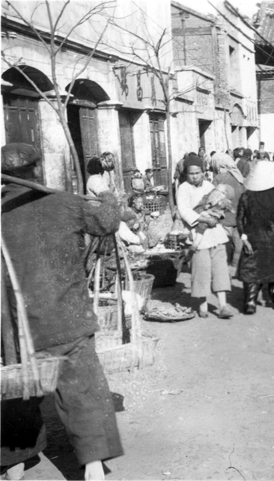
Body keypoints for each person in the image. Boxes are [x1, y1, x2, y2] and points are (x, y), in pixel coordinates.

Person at [1, 143, 123, 480]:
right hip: (66, 319)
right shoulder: (65, 203)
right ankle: (94, 468)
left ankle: (14, 464)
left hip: (16, 327)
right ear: (37, 169)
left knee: (18, 391)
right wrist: (104, 193)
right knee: (81, 390)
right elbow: (108, 221)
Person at [176, 153, 233, 319]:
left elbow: (219, 202)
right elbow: (184, 210)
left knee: (220, 269)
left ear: (203, 172)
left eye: (197, 173)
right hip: (198, 233)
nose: (194, 176)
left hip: (215, 233)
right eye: (191, 173)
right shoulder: (183, 188)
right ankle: (203, 306)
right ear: (186, 174)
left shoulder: (209, 185)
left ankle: (223, 305)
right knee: (201, 270)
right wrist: (203, 218)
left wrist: (216, 216)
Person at [236, 161, 274, 314]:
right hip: (273, 238)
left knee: (251, 269)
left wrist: (244, 237)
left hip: (253, 237)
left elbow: (240, 219)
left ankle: (250, 302)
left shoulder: (246, 196)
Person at [212, 152, 246, 274]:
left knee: (224, 248)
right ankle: (234, 268)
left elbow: (212, 199)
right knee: (238, 247)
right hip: (238, 218)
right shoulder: (239, 177)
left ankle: (224, 272)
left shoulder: (218, 178)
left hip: (223, 219)